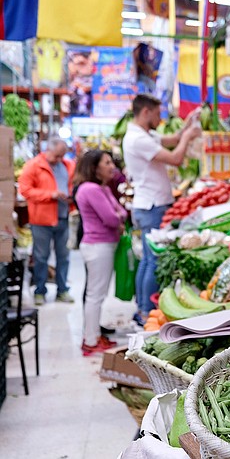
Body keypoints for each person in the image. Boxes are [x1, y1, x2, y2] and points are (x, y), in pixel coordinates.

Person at [123, 94, 200, 325]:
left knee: (148, 259)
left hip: (150, 204)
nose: (160, 118)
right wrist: (188, 136)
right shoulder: (138, 139)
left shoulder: (145, 135)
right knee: (153, 260)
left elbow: (172, 139)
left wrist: (188, 124)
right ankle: (147, 312)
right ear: (145, 112)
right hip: (152, 206)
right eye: (157, 114)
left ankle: (142, 309)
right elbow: (176, 157)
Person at [74, 150, 126, 356]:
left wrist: (118, 215)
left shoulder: (101, 189)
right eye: (107, 163)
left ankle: (94, 334)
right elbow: (112, 218)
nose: (112, 166)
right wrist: (118, 217)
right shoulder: (91, 189)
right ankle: (90, 340)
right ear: (95, 168)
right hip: (98, 246)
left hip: (102, 246)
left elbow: (120, 211)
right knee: (95, 295)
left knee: (97, 294)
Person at [18, 137, 76, 306]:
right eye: (56, 156)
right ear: (47, 150)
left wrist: (70, 196)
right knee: (41, 257)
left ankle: (62, 290)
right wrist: (50, 195)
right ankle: (40, 290)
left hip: (63, 217)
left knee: (64, 256)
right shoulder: (34, 165)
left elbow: (71, 184)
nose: (59, 160)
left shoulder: (67, 165)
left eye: (62, 156)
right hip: (41, 220)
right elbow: (25, 190)